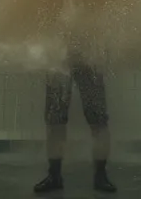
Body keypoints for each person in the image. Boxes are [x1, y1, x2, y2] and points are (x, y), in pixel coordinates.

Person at [33, 56, 117, 194]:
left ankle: (101, 175)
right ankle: (54, 175)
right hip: (60, 55)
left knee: (98, 119)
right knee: (55, 119)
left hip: (88, 55)